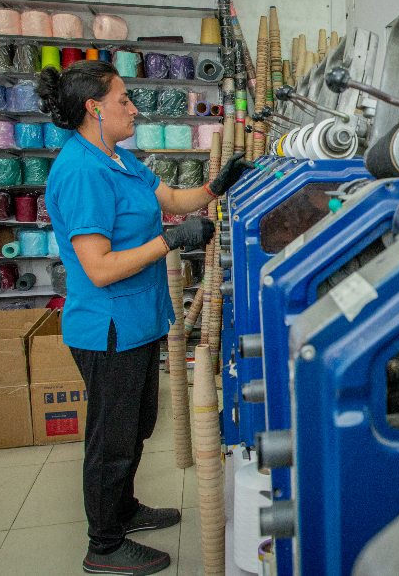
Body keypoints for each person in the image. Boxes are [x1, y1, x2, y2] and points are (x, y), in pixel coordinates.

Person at [37, 61, 252, 575]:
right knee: (111, 440)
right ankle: (104, 544)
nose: (134, 109)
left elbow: (173, 199)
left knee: (134, 427)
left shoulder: (118, 158)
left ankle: (124, 509)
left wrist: (216, 188)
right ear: (94, 109)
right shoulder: (83, 171)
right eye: (123, 100)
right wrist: (169, 241)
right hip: (107, 327)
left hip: (137, 320)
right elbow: (99, 268)